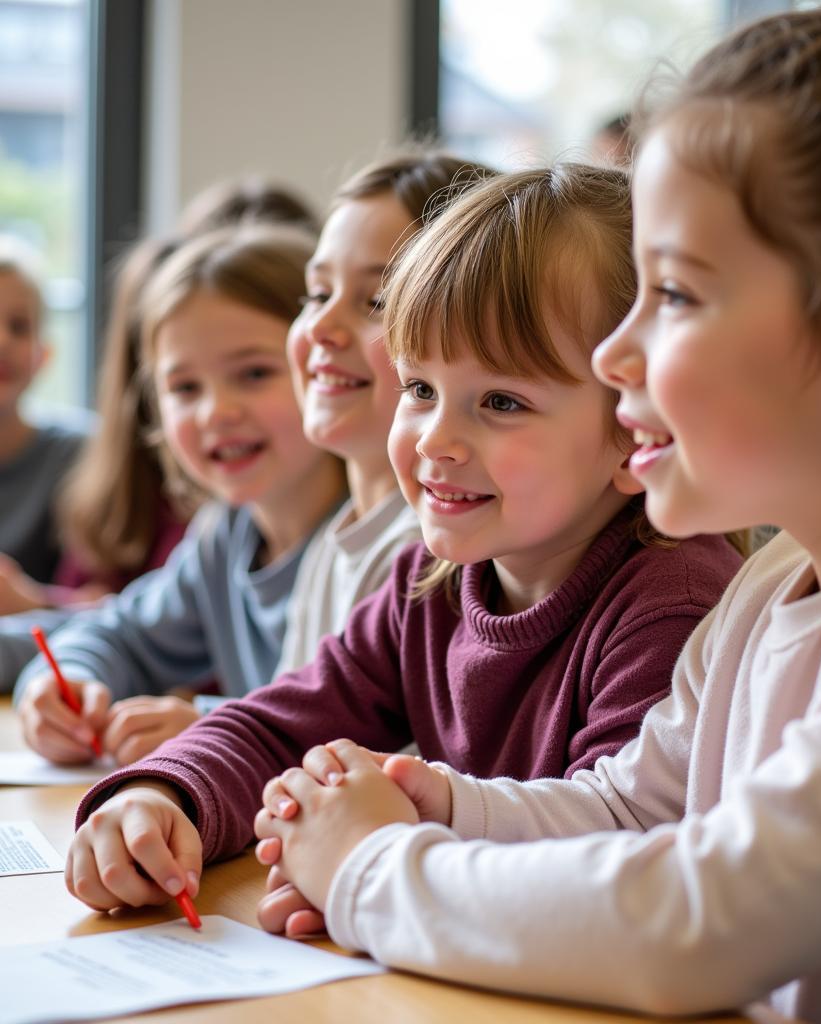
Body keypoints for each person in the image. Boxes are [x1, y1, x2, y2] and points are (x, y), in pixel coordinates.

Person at [244, 1, 821, 1021]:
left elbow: (697, 918)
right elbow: (632, 807)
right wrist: (442, 800)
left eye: (675, 296)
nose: (615, 356)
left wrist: (374, 867)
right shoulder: (769, 586)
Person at [62, 164, 743, 933]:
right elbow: (278, 724)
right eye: (419, 388)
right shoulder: (432, 579)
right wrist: (161, 796)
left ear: (636, 428)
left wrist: (385, 844)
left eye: (501, 401)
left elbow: (624, 843)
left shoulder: (670, 600)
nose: (436, 441)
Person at [15, 222, 347, 765]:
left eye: (255, 373)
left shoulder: (373, 544)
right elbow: (117, 633)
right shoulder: (226, 534)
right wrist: (61, 686)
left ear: (328, 370)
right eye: (184, 388)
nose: (216, 411)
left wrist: (206, 725)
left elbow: (374, 733)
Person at [276, 150, 494, 674]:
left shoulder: (437, 554)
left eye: (374, 302)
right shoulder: (335, 543)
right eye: (318, 293)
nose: (320, 327)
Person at [0, 237, 85, 591]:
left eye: (19, 326)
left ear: (43, 355)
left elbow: (115, 606)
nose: (1, 342)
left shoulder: (81, 456)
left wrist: (33, 602)